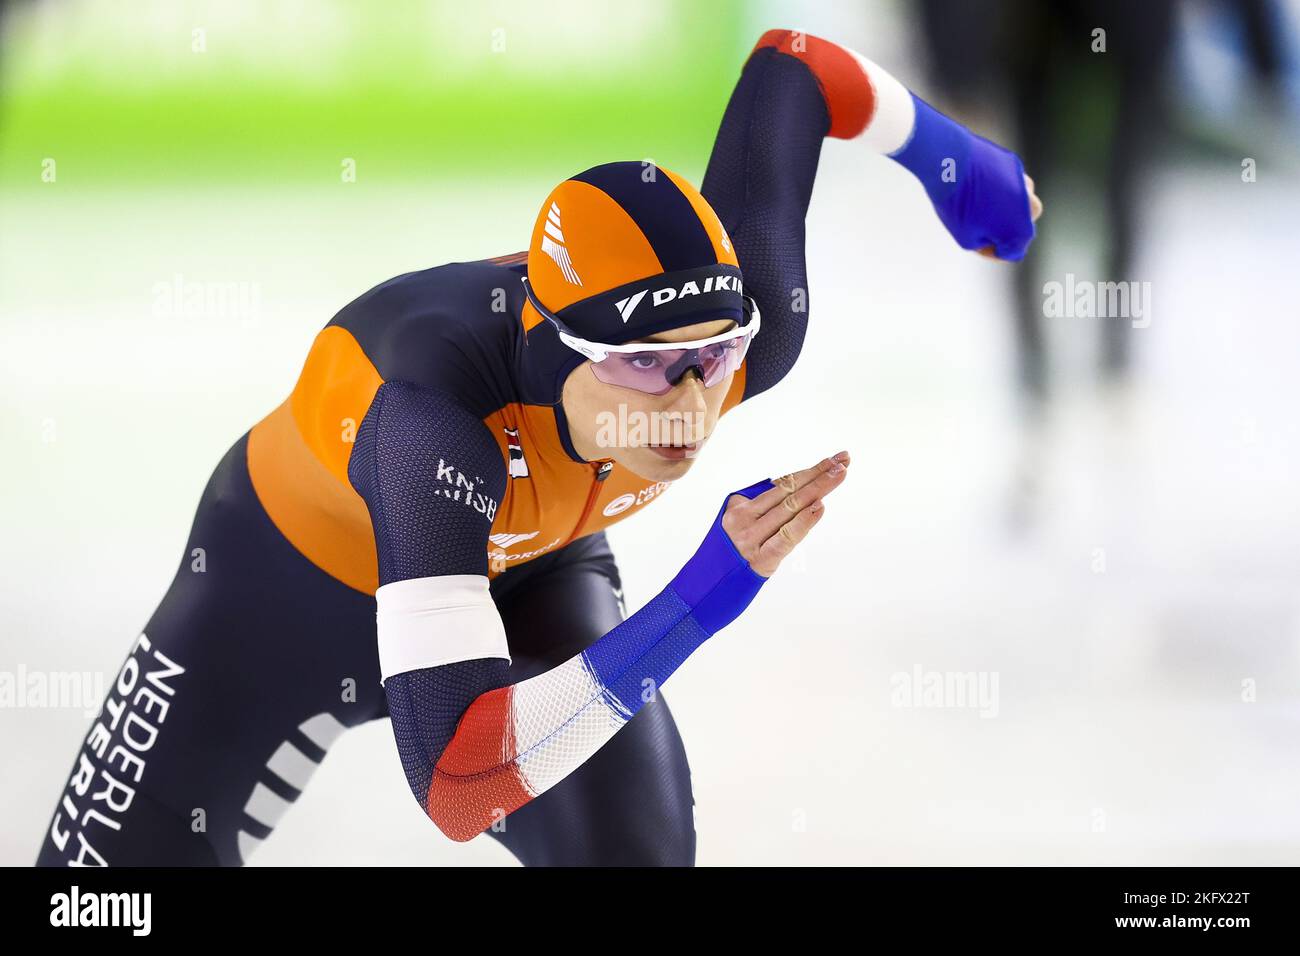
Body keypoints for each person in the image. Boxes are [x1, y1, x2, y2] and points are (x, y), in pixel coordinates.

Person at [35, 28, 1041, 867]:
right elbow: (456, 782)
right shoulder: (435, 420)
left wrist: (956, 160)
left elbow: (794, 68)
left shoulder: (748, 337)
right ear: (558, 351)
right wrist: (702, 598)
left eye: (715, 356)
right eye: (648, 367)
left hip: (530, 574)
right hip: (281, 592)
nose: (692, 404)